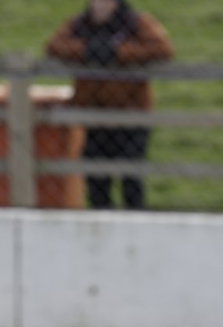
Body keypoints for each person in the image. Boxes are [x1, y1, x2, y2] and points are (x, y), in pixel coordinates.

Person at [44, 0, 174, 210]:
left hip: (131, 115)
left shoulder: (134, 23)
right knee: (97, 179)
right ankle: (101, 227)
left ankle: (135, 224)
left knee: (131, 176)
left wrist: (118, 52)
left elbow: (161, 48)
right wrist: (86, 51)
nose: (100, 5)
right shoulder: (80, 24)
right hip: (94, 115)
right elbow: (54, 46)